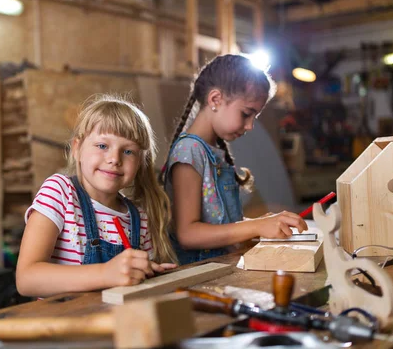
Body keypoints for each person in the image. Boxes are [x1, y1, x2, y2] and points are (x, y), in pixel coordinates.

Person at [17, 95, 177, 297]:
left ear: (140, 162)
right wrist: (105, 273)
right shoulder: (60, 192)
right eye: (102, 146)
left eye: (128, 151)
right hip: (64, 324)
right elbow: (26, 279)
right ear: (77, 149)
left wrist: (146, 273)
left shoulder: (139, 218)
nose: (114, 159)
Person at [161, 54, 308, 265]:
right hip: (197, 275)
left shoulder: (211, 151)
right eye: (246, 114)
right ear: (215, 100)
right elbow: (187, 234)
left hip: (221, 269)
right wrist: (255, 227)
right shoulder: (189, 151)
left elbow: (218, 223)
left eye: (254, 118)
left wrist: (261, 223)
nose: (249, 126)